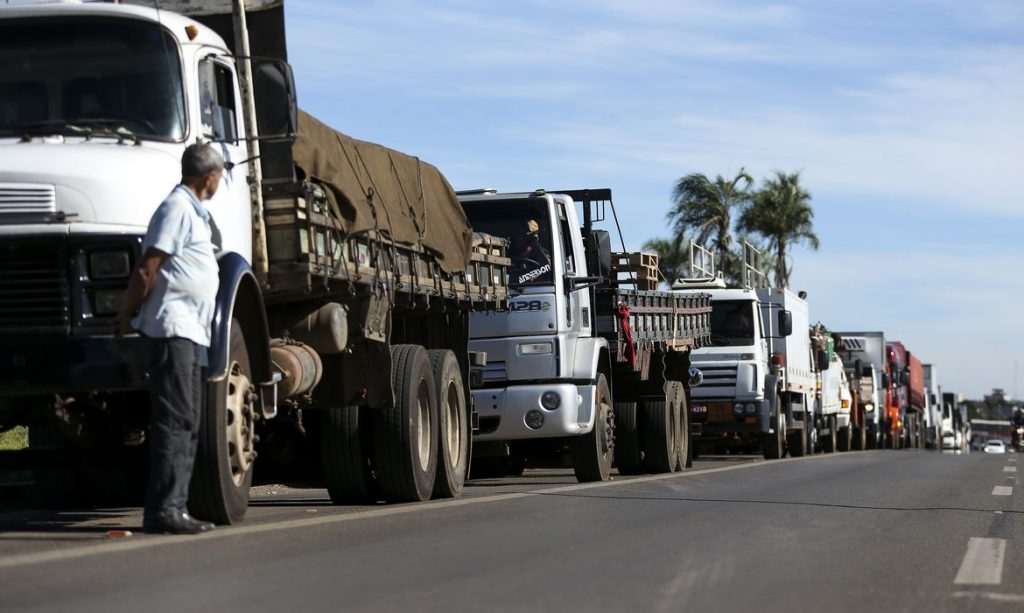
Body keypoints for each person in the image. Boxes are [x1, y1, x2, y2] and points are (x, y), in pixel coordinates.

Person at [115, 143, 223, 535]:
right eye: (220, 175)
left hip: (192, 331)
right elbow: (148, 268)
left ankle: (175, 505)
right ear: (208, 177)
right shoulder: (176, 208)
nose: (221, 181)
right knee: (175, 420)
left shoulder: (194, 211)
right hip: (172, 328)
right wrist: (127, 314)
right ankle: (164, 510)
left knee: (188, 420)